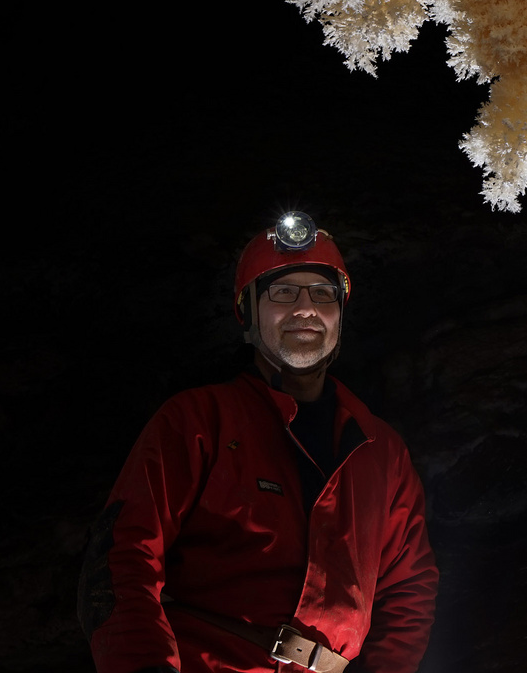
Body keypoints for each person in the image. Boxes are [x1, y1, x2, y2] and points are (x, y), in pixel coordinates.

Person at [79, 212, 438, 673]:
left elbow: (409, 587)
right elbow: (122, 557)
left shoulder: (380, 450)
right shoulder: (198, 421)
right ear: (247, 312)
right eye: (283, 292)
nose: (305, 308)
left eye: (323, 293)